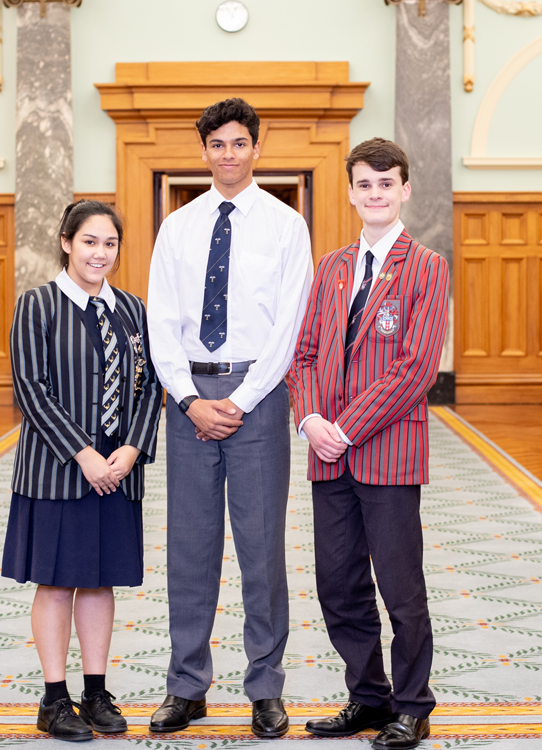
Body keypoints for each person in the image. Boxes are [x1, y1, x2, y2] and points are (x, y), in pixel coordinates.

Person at [146, 98, 313, 737]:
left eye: (239, 143)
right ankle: (186, 686)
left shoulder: (285, 225)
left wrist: (240, 402)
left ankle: (265, 688)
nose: (228, 154)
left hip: (260, 398)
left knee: (261, 549)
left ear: (256, 149)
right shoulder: (178, 227)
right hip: (188, 399)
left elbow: (291, 326)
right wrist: (189, 399)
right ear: (205, 151)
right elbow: (161, 321)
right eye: (217, 144)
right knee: (189, 550)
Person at [288, 138, 449, 750]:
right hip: (326, 457)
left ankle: (412, 704)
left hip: (386, 455)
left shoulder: (427, 267)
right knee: (339, 584)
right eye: (364, 185)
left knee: (401, 587)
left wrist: (345, 428)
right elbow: (302, 356)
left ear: (404, 189)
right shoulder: (329, 268)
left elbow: (414, 370)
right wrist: (309, 422)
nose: (375, 194)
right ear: (351, 191)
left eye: (387, 184)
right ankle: (367, 696)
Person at [2, 200, 163, 742]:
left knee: (99, 581)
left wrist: (134, 447)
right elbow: (31, 388)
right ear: (67, 242)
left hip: (118, 471)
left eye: (110, 243)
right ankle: (55, 700)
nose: (100, 253)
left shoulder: (133, 310)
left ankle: (95, 693)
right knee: (56, 583)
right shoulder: (39, 305)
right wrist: (84, 452)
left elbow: (149, 385)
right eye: (90, 241)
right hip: (58, 471)